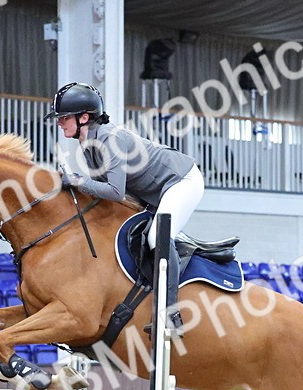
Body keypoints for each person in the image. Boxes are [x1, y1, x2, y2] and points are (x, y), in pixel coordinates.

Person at [47, 82, 204, 330]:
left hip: (181, 180)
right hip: (152, 192)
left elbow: (115, 191)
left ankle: (171, 314)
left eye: (64, 118)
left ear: (84, 117)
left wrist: (78, 181)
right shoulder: (87, 143)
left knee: (156, 237)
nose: (59, 123)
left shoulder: (110, 139)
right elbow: (101, 191)